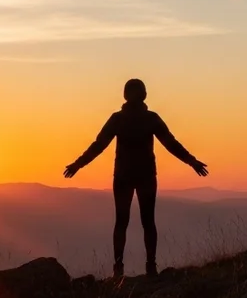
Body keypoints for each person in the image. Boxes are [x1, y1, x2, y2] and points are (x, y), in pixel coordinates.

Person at [64, 79, 208, 278]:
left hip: (122, 176)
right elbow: (171, 144)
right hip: (146, 176)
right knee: (148, 221)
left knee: (121, 222)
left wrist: (78, 164)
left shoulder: (118, 119)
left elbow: (99, 145)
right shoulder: (151, 118)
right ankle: (151, 267)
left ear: (125, 95)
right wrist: (192, 161)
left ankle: (118, 268)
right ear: (144, 95)